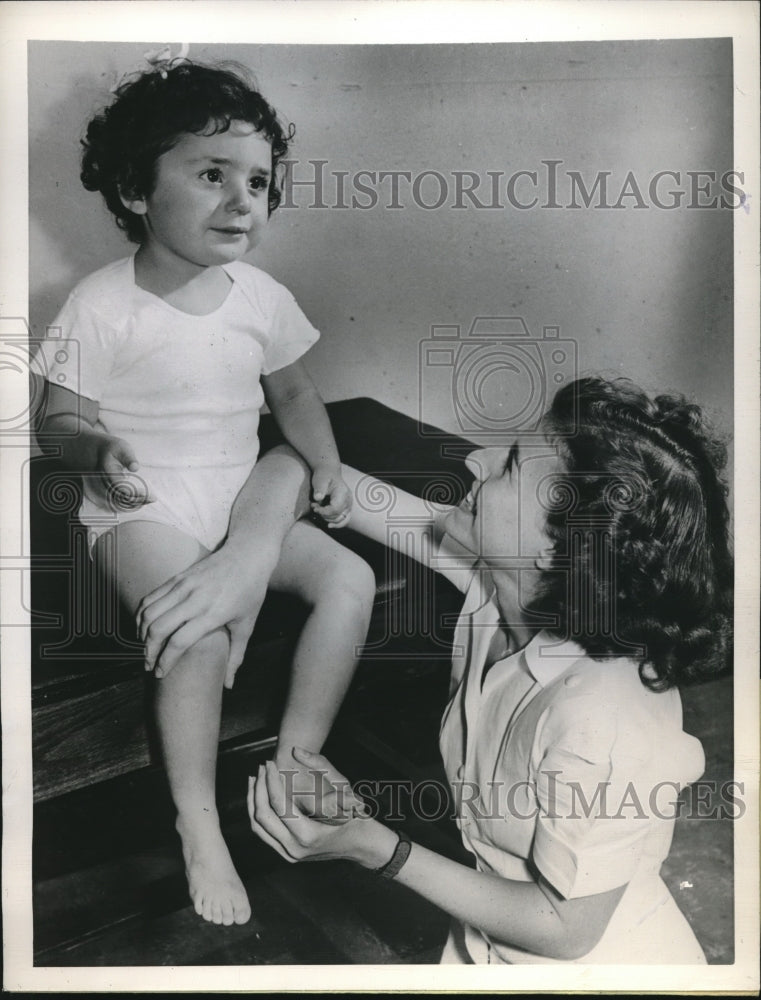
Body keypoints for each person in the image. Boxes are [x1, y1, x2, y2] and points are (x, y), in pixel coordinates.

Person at [142, 375, 732, 962]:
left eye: (510, 467)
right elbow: (305, 465)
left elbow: (566, 928)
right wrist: (247, 557)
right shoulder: (495, 582)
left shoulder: (609, 715)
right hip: (482, 949)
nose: (478, 460)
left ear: (557, 548)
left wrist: (376, 846)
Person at [34, 58, 375, 928]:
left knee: (352, 581)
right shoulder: (101, 303)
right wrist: (96, 445)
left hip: (236, 490)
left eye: (258, 182)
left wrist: (324, 465)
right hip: (137, 501)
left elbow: (293, 397)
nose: (242, 201)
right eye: (211, 174)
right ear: (134, 189)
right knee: (193, 631)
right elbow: (55, 422)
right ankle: (197, 820)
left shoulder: (258, 295)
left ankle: (296, 756)